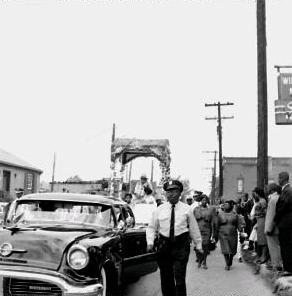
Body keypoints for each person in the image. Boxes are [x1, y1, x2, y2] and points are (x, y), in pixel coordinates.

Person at [146, 179, 203, 296]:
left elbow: (193, 228)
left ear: (180, 193)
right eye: (168, 191)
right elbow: (151, 227)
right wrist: (150, 242)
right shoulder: (159, 210)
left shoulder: (187, 209)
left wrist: (199, 245)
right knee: (166, 278)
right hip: (164, 246)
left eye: (174, 191)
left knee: (180, 278)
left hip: (181, 246)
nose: (171, 194)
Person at [214, 200, 245, 270]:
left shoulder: (235, 214)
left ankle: (230, 258)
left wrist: (241, 231)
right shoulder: (220, 214)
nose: (225, 206)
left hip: (233, 234)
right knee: (225, 249)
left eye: (227, 204)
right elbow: (217, 225)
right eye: (224, 204)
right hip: (222, 234)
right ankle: (227, 263)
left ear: (230, 206)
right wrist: (215, 235)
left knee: (232, 249)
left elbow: (238, 224)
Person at [274, 171, 292, 275]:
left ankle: (288, 269)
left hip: (286, 223)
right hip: (287, 222)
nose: (278, 180)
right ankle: (288, 268)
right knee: (286, 245)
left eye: (279, 178)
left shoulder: (287, 191)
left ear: (283, 179)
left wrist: (275, 220)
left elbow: (282, 208)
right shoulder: (287, 190)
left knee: (286, 246)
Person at [193, 194, 215, 269]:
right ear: (200, 201)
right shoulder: (196, 209)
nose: (204, 201)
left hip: (207, 230)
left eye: (205, 200)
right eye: (203, 200)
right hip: (197, 230)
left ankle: (204, 262)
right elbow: (192, 221)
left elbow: (212, 222)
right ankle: (199, 260)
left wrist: (213, 234)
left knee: (205, 246)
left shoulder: (210, 210)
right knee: (198, 247)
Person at [264, 183, 282, 271]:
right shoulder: (278, 197)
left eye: (268, 188)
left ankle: (276, 265)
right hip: (278, 227)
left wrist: (269, 228)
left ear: (271, 190)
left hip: (272, 228)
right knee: (278, 246)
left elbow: (272, 215)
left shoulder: (273, 199)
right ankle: (277, 263)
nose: (267, 190)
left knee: (273, 247)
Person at [252, 187, 268, 264]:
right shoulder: (259, 201)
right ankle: (261, 255)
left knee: (263, 239)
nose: (253, 195)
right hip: (259, 220)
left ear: (257, 193)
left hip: (262, 221)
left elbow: (266, 212)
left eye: (254, 193)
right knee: (260, 239)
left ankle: (264, 256)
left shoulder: (263, 201)